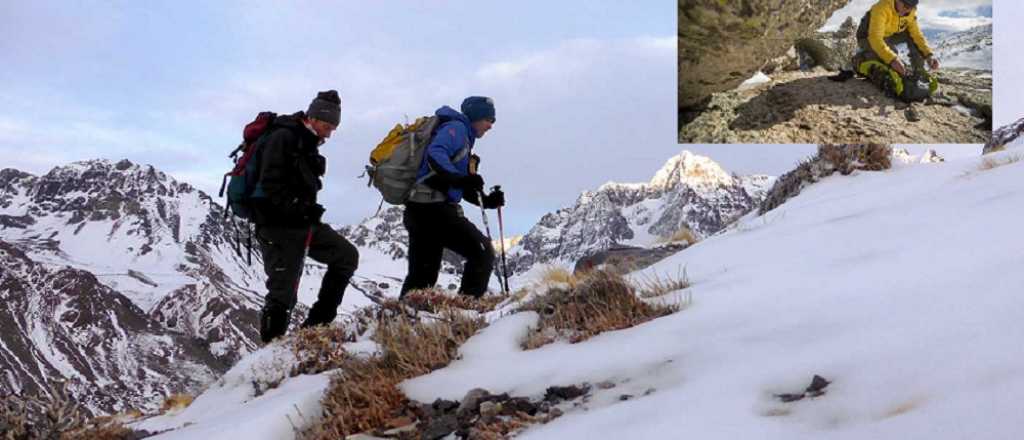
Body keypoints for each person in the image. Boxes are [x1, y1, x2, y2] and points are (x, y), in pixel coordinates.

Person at [250, 90, 359, 343]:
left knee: (346, 256)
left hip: (301, 224)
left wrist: (307, 211)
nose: (329, 133)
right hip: (277, 227)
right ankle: (269, 356)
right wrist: (302, 208)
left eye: (333, 127)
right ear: (313, 117)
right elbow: (271, 185)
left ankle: (314, 331)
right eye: (327, 125)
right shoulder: (283, 137)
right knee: (283, 294)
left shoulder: (306, 142)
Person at [400, 96, 504, 299]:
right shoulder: (456, 129)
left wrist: (488, 200)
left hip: (420, 209)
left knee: (422, 276)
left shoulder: (462, 136)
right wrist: (460, 179)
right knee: (482, 252)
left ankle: (400, 320)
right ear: (476, 117)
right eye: (488, 120)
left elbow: (457, 186)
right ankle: (466, 311)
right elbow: (435, 154)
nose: (491, 125)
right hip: (433, 210)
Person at [854, 0, 939, 79]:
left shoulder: (910, 12)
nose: (907, 10)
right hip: (867, 37)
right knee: (889, 60)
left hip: (888, 35)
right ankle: (859, 59)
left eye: (911, 7)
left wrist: (929, 56)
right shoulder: (881, 8)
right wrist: (892, 59)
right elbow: (875, 38)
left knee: (911, 35)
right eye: (905, 6)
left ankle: (919, 71)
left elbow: (917, 35)